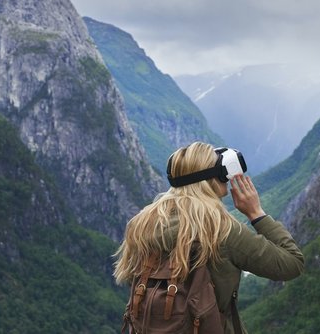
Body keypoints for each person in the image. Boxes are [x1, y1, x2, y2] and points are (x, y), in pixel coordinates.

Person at [113, 141, 304, 333]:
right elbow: (291, 263)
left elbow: (131, 277)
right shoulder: (220, 230)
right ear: (212, 178)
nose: (227, 178)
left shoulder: (141, 226)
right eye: (223, 172)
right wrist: (256, 213)